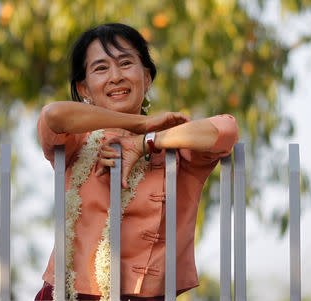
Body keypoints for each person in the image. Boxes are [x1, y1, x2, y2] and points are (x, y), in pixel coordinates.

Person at [35, 23, 238, 301]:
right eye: (101, 68)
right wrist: (141, 122)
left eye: (126, 63)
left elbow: (226, 130)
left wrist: (145, 142)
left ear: (147, 78)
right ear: (84, 88)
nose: (116, 77)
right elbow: (52, 115)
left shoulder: (175, 147)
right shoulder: (77, 142)